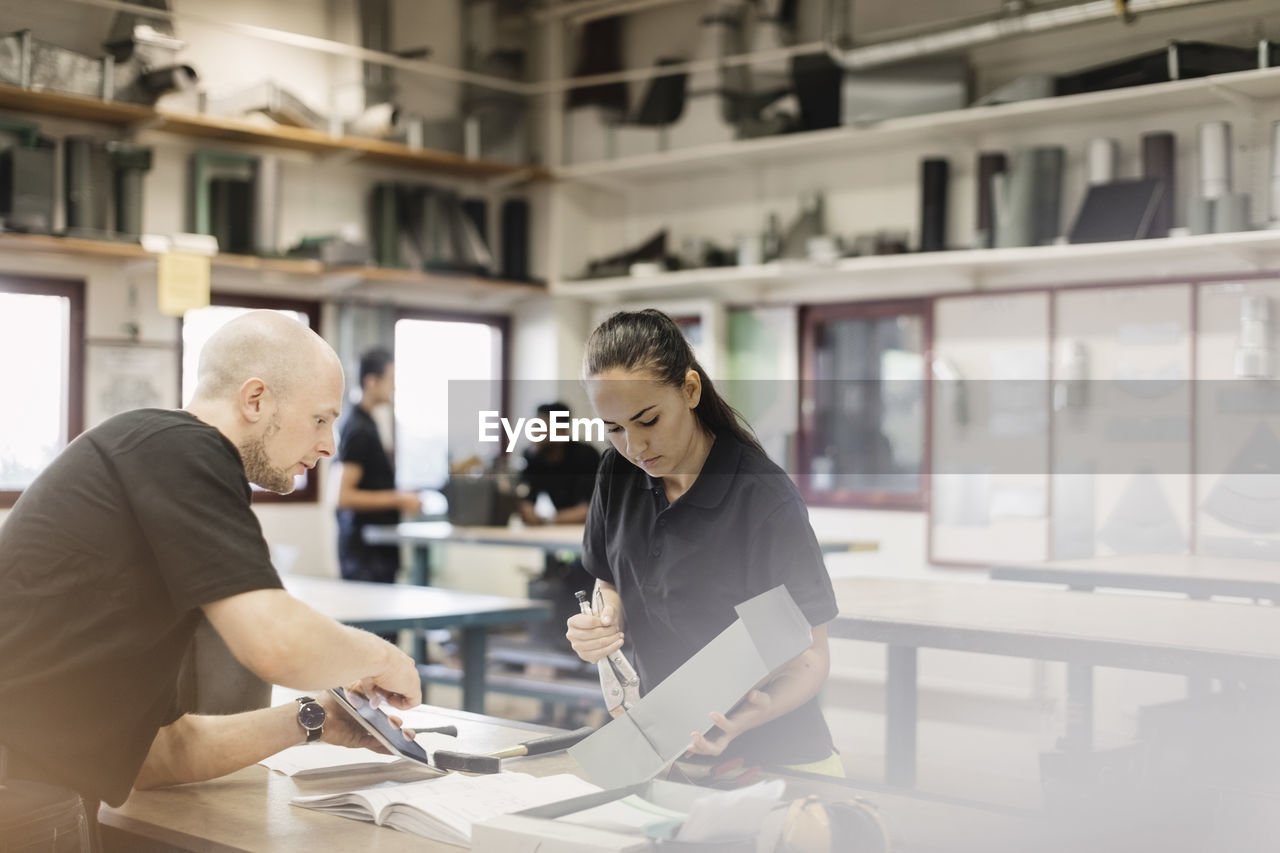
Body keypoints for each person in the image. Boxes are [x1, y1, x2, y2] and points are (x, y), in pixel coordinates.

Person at [0, 311, 423, 836]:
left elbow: (158, 755)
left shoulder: (157, 459)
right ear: (255, 400)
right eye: (319, 419)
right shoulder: (182, 450)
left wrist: (315, 719)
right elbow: (274, 642)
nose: (329, 445)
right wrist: (387, 658)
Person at [565, 309, 843, 776]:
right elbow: (608, 579)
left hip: (777, 760)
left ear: (690, 390)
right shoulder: (617, 473)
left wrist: (744, 718)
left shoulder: (761, 496)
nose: (634, 446)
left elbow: (811, 655)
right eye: (614, 429)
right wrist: (605, 620)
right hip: (666, 749)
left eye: (648, 420)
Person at [334, 347, 421, 585]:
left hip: (374, 553)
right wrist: (398, 499)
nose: (394, 387)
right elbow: (343, 496)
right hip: (365, 557)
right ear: (371, 381)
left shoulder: (367, 423)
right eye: (390, 379)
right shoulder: (358, 429)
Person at [517, 400, 601, 527]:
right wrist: (526, 510)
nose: (534, 433)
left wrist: (547, 520)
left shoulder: (586, 455)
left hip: (591, 529)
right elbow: (525, 500)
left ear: (561, 430)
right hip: (560, 527)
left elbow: (592, 509)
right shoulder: (533, 457)